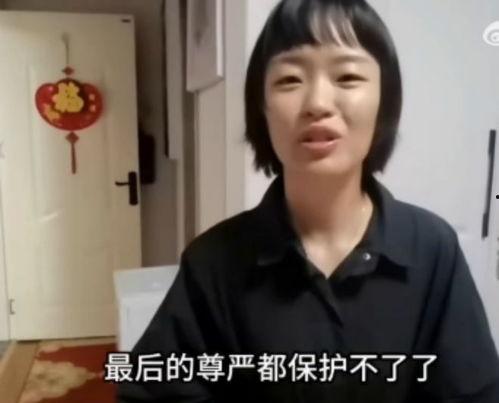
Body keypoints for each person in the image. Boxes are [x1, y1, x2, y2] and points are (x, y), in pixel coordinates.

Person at [116, 0, 499, 401]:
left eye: (347, 76)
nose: (317, 102)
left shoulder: (432, 248)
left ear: (384, 101)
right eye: (289, 80)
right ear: (261, 108)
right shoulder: (213, 261)